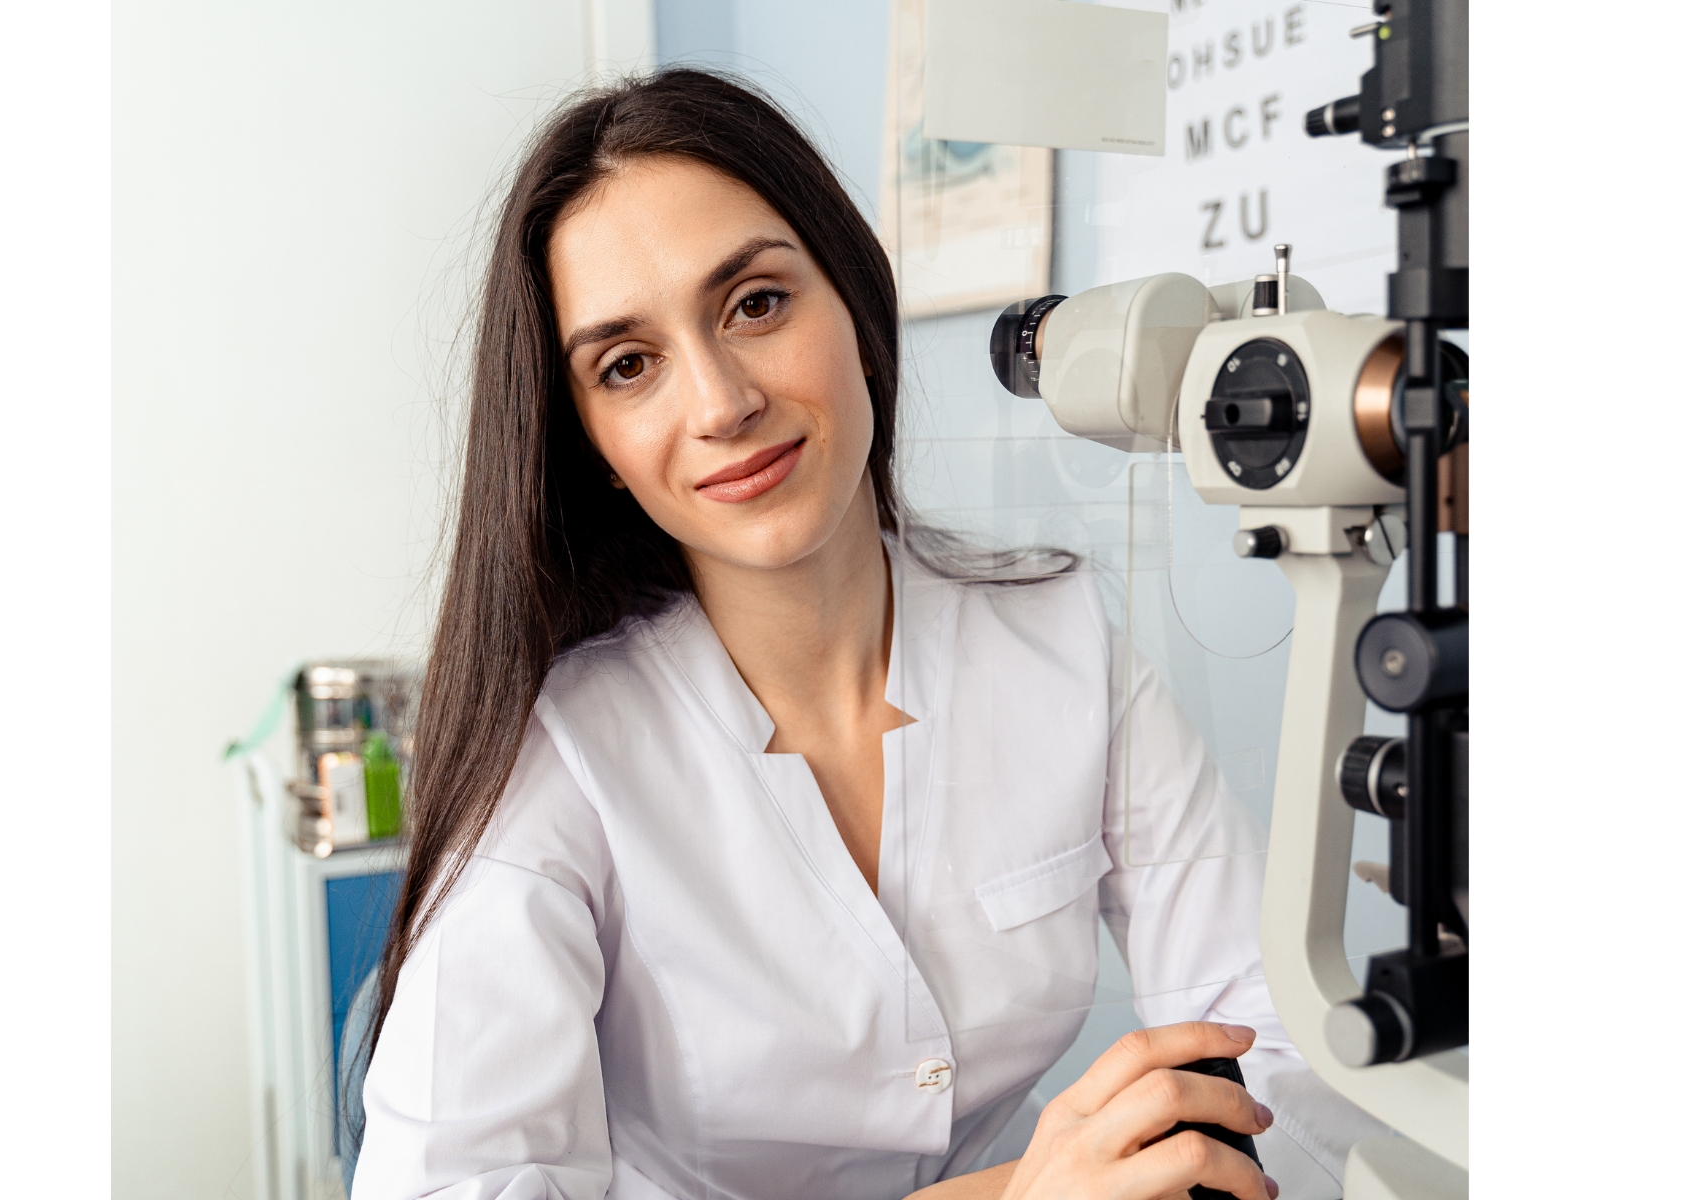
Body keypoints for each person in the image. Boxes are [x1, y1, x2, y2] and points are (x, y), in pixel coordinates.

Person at [353, 69, 1385, 1200]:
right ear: (589, 438)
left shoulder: (1057, 641)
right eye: (628, 365)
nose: (719, 403)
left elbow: (1283, 1036)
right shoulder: (557, 760)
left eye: (755, 303)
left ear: (853, 300)